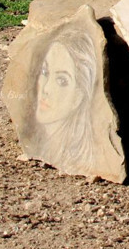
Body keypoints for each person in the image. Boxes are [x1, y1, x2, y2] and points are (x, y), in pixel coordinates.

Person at [31, 31, 103, 174]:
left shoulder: (85, 154)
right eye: (45, 72)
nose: (45, 88)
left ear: (79, 96)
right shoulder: (41, 143)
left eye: (61, 81)